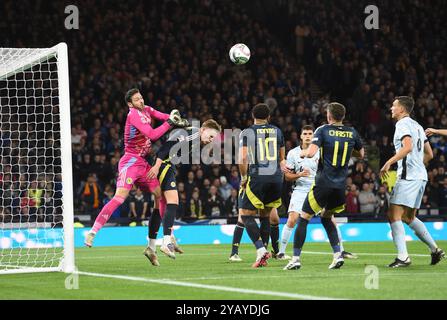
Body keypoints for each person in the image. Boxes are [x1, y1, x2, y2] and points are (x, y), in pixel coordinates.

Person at [84, 88, 188, 247]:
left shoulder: (146, 109)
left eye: (141, 98)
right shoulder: (132, 115)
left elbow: (162, 116)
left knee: (159, 193)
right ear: (129, 104)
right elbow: (152, 135)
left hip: (143, 163)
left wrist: (176, 119)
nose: (141, 101)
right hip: (130, 162)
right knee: (119, 197)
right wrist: (170, 123)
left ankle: (169, 235)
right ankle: (92, 232)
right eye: (137, 99)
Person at [284, 102, 365, 270]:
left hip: (323, 183)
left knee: (304, 218)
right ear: (342, 116)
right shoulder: (352, 133)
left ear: (329, 115)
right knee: (327, 218)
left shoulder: (322, 130)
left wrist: (302, 153)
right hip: (340, 186)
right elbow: (361, 154)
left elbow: (312, 152)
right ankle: (337, 255)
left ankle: (295, 259)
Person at [143, 119, 222, 265]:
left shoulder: (194, 136)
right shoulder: (192, 133)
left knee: (159, 206)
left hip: (166, 165)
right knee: (173, 201)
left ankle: (151, 247)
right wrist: (157, 165)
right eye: (210, 136)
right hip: (164, 165)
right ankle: (167, 241)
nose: (210, 140)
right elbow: (167, 147)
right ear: (203, 129)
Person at [380, 96, 445, 268]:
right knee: (409, 217)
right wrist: (416, 165)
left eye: (393, 106)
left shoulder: (402, 125)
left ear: (402, 109)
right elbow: (429, 154)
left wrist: (390, 162)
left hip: (408, 177)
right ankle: (435, 249)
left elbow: (407, 147)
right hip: (420, 176)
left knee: (393, 215)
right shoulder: (417, 126)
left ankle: (403, 257)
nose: (391, 109)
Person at [277, 125, 357, 260]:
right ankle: (281, 252)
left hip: (319, 188)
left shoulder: (320, 151)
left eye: (310, 133)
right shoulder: (292, 153)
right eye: (305, 133)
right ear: (301, 136)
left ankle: (341, 250)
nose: (308, 136)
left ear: (313, 136)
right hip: (301, 189)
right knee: (292, 219)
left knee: (330, 219)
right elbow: (287, 177)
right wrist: (300, 175)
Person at [233, 103, 288, 268]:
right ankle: (264, 253)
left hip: (258, 177)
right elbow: (282, 159)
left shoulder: (247, 132)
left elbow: (242, 159)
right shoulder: (277, 131)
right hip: (276, 178)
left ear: (252, 116)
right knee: (265, 215)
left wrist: (244, 177)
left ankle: (260, 250)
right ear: (269, 117)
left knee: (245, 215)